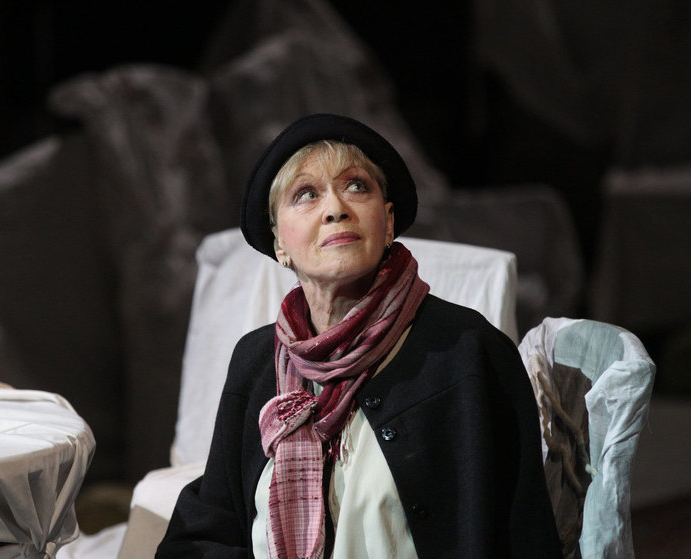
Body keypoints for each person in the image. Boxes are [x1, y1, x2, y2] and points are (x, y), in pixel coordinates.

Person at [156, 114, 562, 558]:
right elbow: (208, 527)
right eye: (306, 194)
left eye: (356, 186)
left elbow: (524, 537)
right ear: (280, 244)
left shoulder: (466, 352)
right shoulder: (256, 360)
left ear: (387, 222)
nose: (335, 208)